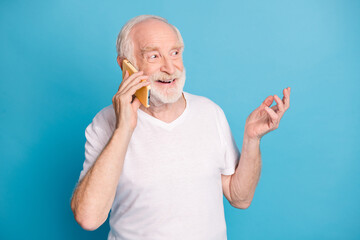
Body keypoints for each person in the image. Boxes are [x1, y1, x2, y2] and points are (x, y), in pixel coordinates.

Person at [70, 15, 291, 240]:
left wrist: (252, 139)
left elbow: (239, 197)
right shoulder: (105, 123)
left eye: (175, 53)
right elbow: (89, 218)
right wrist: (124, 128)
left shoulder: (210, 112)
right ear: (125, 65)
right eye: (153, 56)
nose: (169, 67)